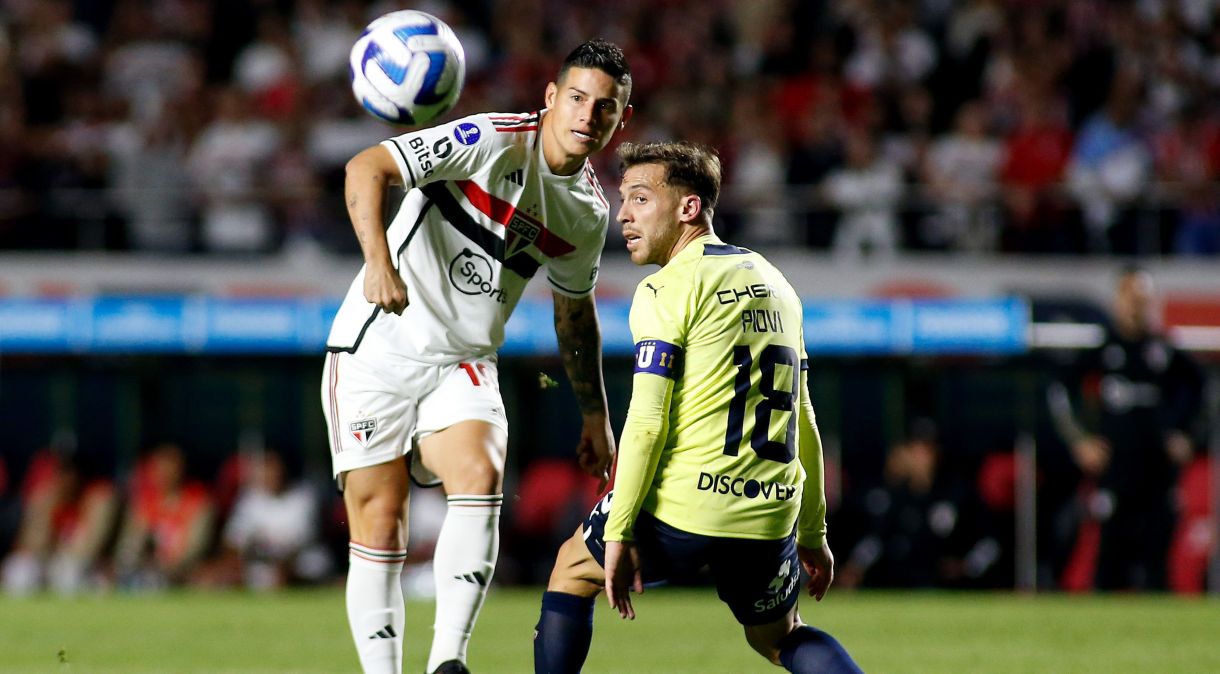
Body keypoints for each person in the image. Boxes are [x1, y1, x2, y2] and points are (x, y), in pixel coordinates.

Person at [321, 39, 633, 674]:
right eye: (577, 97)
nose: (587, 116)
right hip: (377, 346)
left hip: (463, 359)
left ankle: (447, 663)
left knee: (481, 473)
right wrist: (378, 265)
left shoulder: (585, 213)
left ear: (620, 120)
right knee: (380, 525)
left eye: (605, 108)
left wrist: (596, 417)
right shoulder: (487, 139)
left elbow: (574, 315)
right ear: (551, 98)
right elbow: (364, 169)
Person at [533, 141, 862, 674]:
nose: (624, 214)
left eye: (640, 199)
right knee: (781, 638)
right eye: (624, 200)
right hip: (767, 509)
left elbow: (646, 424)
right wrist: (813, 534)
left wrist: (618, 531)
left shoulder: (667, 288)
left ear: (688, 208)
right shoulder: (777, 284)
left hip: (686, 507)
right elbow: (804, 422)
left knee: (571, 570)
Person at [1048, 266, 1205, 590]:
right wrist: (1081, 441)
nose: (1135, 305)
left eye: (1141, 298)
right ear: (1117, 300)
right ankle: (1101, 629)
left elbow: (1202, 389)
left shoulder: (1163, 350)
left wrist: (1188, 434)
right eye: (1129, 296)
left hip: (1158, 466)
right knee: (1110, 553)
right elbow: (1060, 391)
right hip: (1115, 465)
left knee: (1157, 555)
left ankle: (1160, 630)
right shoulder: (1103, 349)